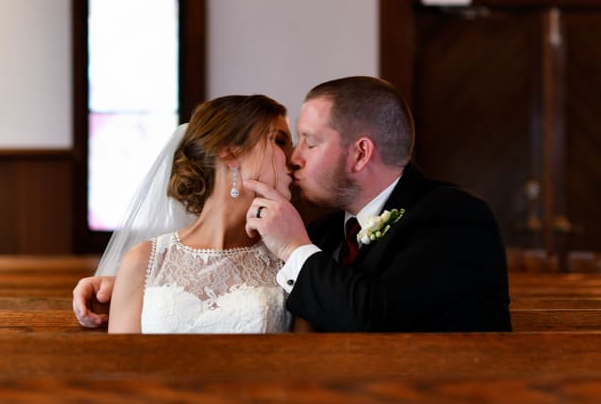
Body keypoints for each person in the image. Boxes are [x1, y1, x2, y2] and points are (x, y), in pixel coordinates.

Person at [74, 76, 512, 332]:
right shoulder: (323, 235)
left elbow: (376, 317)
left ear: (360, 153)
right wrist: (128, 286)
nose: (294, 157)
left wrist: (290, 249)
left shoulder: (455, 219)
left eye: (308, 141)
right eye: (286, 141)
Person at [105, 94, 301, 333]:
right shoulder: (144, 261)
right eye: (280, 141)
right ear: (229, 152)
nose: (294, 158)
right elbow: (122, 363)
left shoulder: (291, 259)